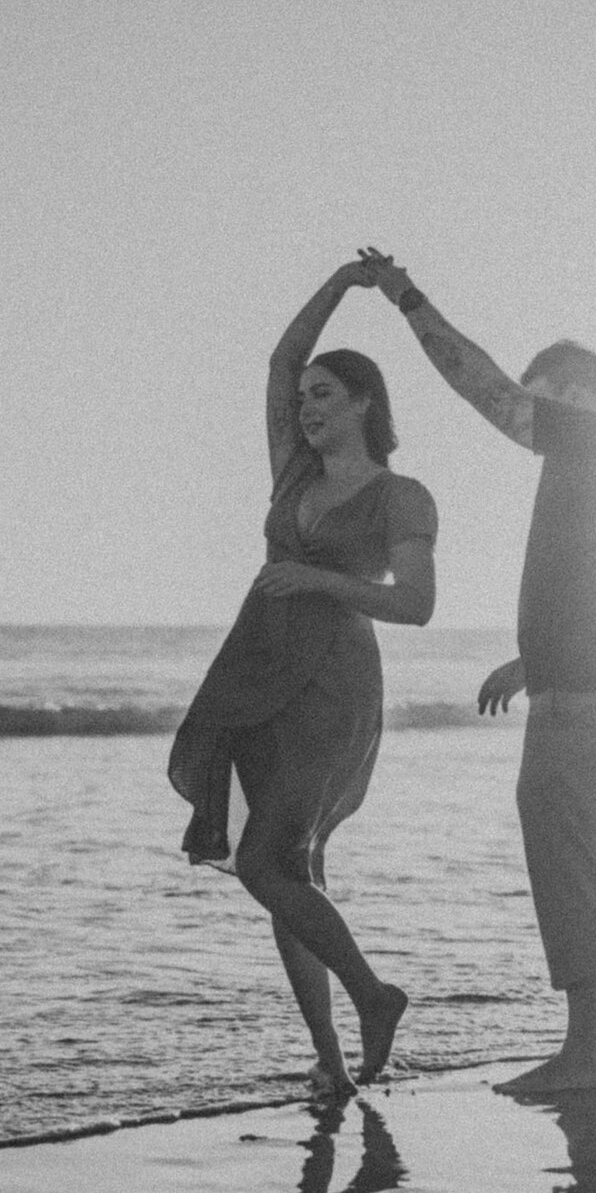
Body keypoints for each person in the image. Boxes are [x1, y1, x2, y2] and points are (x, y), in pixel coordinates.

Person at [358, 249, 596, 1094]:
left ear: (574, 392)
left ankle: (581, 1053)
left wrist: (406, 297)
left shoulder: (588, 441)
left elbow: (481, 384)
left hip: (588, 701)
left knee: (563, 849)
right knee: (593, 854)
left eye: (544, 394)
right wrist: (530, 659)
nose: (532, 412)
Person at [169, 258, 436, 1097]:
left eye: (325, 395)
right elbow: (281, 360)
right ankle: (330, 1057)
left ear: (365, 402)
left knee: (261, 863)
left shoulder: (402, 497)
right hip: (256, 669)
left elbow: (418, 604)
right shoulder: (293, 473)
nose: (305, 405)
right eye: (304, 400)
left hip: (333, 680)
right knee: (291, 868)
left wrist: (317, 579)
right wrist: (342, 283)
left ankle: (374, 994)